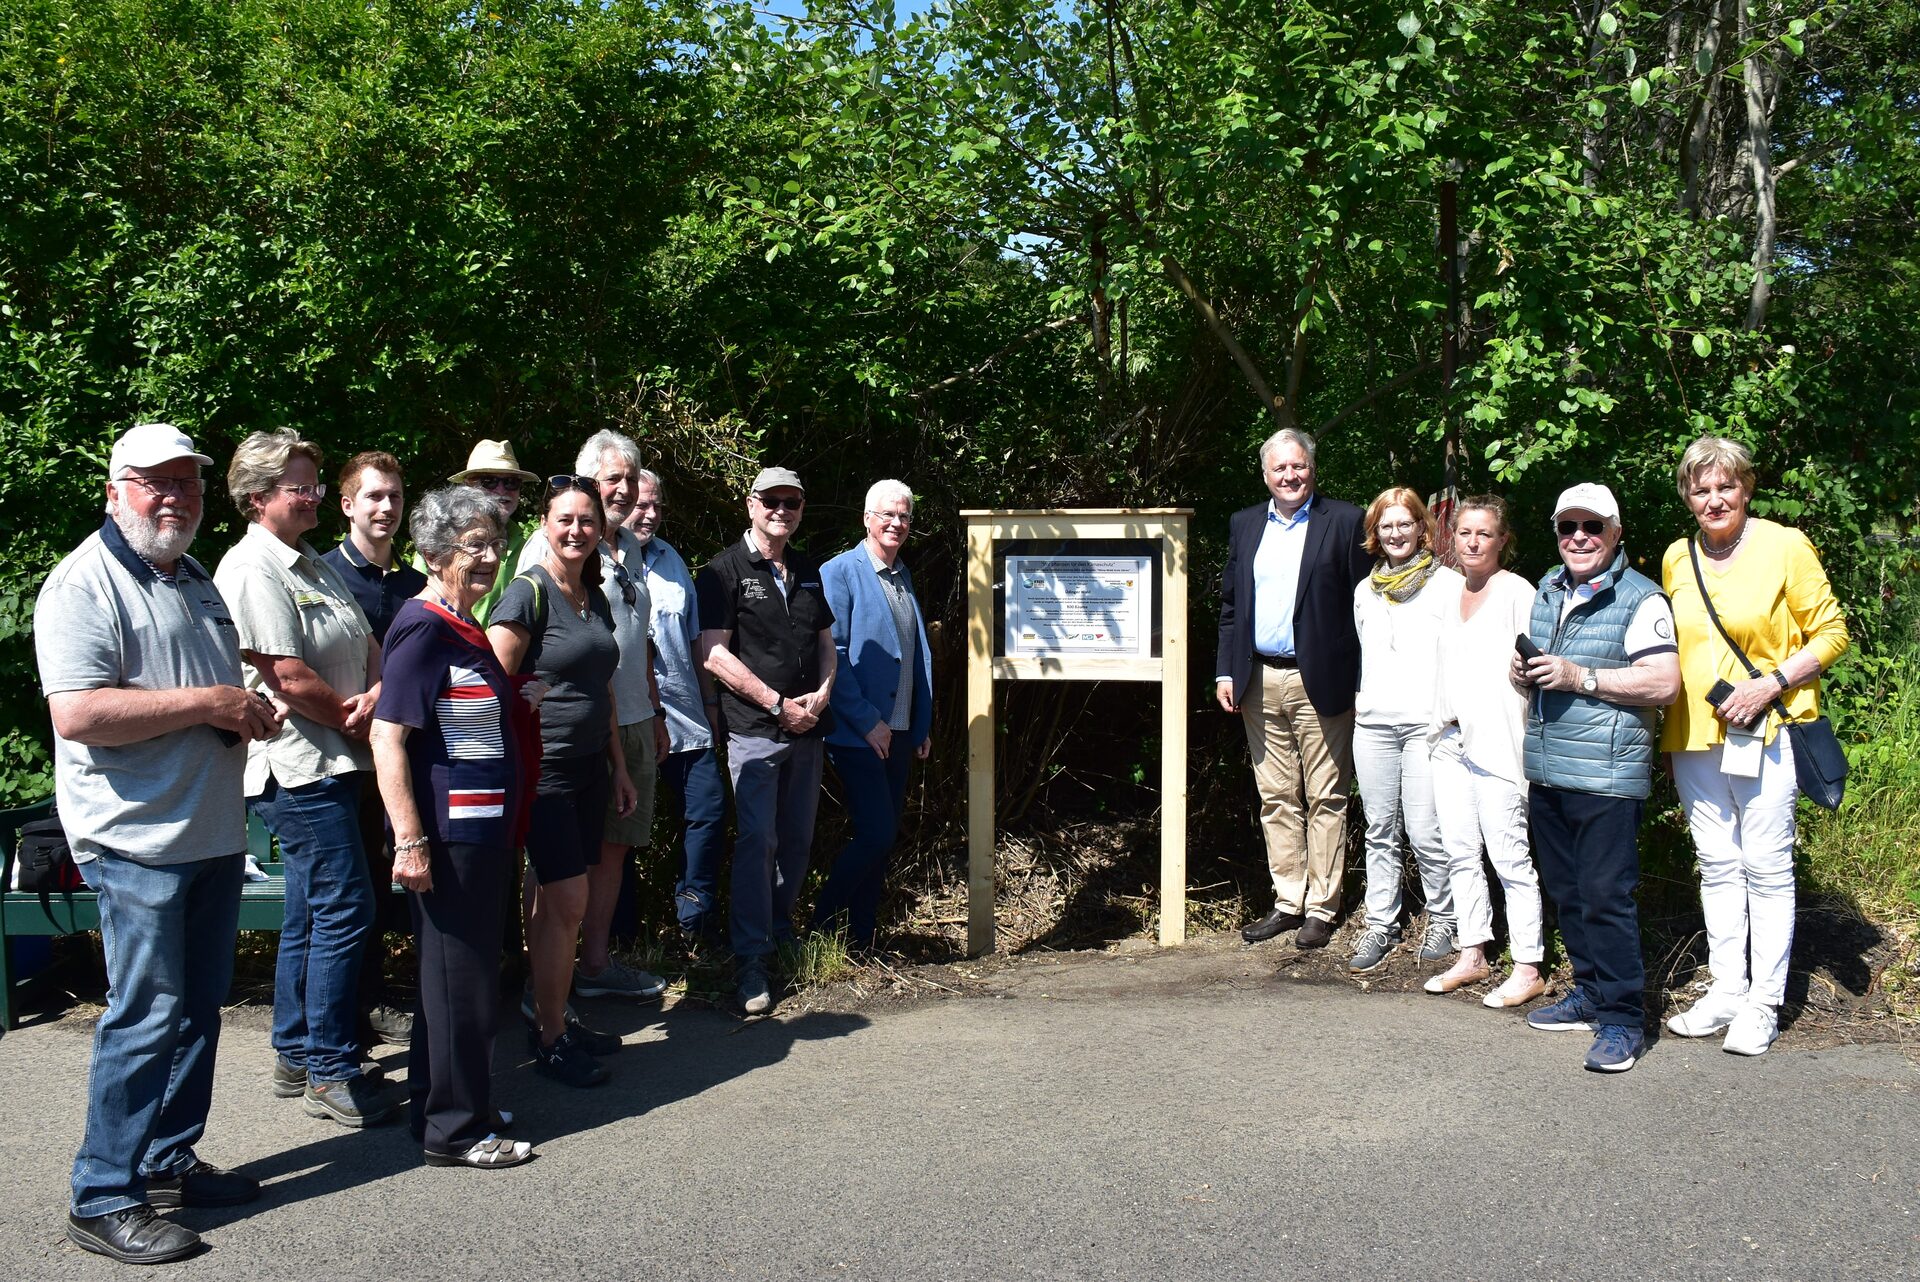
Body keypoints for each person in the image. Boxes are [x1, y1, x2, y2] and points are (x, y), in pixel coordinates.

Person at [38, 423, 283, 1264]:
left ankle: (167, 1162)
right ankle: (103, 1195)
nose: (175, 497)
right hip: (134, 840)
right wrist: (212, 703)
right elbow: (79, 713)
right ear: (115, 492)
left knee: (196, 1010)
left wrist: (244, 708)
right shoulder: (83, 583)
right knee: (146, 1016)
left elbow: (198, 688)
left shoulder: (191, 575)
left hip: (207, 832)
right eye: (156, 482)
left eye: (188, 482)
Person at [215, 429, 401, 1125]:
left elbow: (369, 642)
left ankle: (297, 1050)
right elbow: (286, 676)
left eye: (316, 484)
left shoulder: (309, 560)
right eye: (301, 487)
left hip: (335, 760)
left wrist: (377, 691)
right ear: (257, 497)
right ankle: (330, 1067)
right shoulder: (252, 568)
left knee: (312, 908)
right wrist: (360, 722)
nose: (315, 496)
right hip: (296, 767)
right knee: (346, 906)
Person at [1660, 436, 1849, 1056]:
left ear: (1746, 488)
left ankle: (1764, 1003)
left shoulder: (1784, 545)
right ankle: (1726, 991)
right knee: (1716, 862)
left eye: (1726, 486)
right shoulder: (1677, 557)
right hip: (1694, 734)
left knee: (1766, 866)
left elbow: (1832, 634)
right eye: (1701, 489)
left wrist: (1771, 683)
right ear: (1687, 496)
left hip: (1767, 729)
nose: (1714, 499)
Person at [371, 486, 534, 1168]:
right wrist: (410, 841)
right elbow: (388, 736)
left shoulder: (462, 623)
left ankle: (441, 1106)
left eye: (496, 544)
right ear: (436, 555)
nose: (490, 557)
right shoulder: (424, 626)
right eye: (474, 546)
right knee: (459, 984)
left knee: (457, 981)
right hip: (449, 834)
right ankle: (457, 1132)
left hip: (482, 830)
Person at [1513, 483, 1681, 1073]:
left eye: (1592, 526)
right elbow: (1546, 672)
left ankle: (1623, 1020)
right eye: (1568, 527)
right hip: (1548, 768)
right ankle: (1589, 994)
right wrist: (1524, 672)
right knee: (1568, 892)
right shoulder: (1547, 588)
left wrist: (1577, 676)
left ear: (1616, 533)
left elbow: (1663, 683)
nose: (1579, 538)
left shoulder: (1641, 598)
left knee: (1606, 898)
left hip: (1607, 775)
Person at [488, 477, 637, 1087]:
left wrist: (619, 766)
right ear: (544, 525)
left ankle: (553, 1014)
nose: (577, 530)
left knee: (554, 905)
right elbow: (490, 685)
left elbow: (602, 686)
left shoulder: (592, 594)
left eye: (587, 520)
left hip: (590, 768)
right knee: (568, 903)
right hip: (544, 772)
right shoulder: (528, 593)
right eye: (565, 519)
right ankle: (550, 1036)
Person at [519, 432, 669, 1000]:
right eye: (613, 479)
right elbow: (529, 646)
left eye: (631, 478)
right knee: (555, 860)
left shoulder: (630, 544)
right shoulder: (553, 545)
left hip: (631, 716)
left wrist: (653, 708)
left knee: (613, 847)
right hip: (571, 728)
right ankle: (541, 982)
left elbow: (639, 638)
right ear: (586, 483)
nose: (624, 490)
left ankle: (594, 968)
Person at [1215, 428, 1370, 949]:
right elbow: (1231, 606)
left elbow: (1366, 607)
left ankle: (1322, 908)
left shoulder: (1344, 521)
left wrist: (1363, 679)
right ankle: (1288, 901)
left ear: (1312, 468)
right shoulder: (1244, 524)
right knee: (1276, 796)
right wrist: (1225, 672)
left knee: (1327, 795)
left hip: (1321, 679)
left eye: (1298, 465)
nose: (1290, 476)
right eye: (1280, 468)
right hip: (1258, 679)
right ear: (1265, 475)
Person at [697, 466, 836, 1014]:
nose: (782, 510)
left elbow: (826, 642)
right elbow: (714, 654)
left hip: (809, 727)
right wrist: (778, 705)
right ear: (751, 504)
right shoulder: (722, 571)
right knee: (758, 841)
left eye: (792, 502)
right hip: (756, 731)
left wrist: (823, 693)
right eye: (772, 500)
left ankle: (780, 933)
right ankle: (750, 958)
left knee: (796, 838)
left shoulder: (808, 569)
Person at [322, 450, 426, 1053]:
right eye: (373, 496)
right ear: (347, 505)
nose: (386, 507)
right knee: (351, 893)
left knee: (392, 887)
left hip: (405, 757)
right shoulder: (323, 577)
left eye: (394, 496)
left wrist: (383, 693)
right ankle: (347, 1019)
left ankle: (381, 998)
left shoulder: (415, 584)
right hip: (341, 756)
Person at [1425, 497, 1546, 1006]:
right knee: (1459, 851)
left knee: (1509, 856)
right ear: (1452, 538)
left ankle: (1528, 965)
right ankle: (1472, 953)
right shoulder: (1447, 592)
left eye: (1484, 534)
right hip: (1449, 740)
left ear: (1502, 541)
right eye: (1464, 533)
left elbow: (1539, 662)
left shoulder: (1517, 591)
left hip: (1499, 741)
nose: (1473, 542)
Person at [815, 480, 934, 951]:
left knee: (881, 841)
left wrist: (919, 724)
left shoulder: (902, 574)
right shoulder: (839, 572)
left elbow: (913, 655)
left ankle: (861, 942)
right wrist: (867, 721)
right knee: (876, 834)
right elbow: (834, 654)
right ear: (867, 519)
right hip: (858, 731)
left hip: (900, 731)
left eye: (904, 516)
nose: (896, 523)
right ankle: (821, 928)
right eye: (887, 514)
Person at [1347, 487, 1460, 973]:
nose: (1395, 533)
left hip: (1425, 727)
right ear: (1375, 533)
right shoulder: (1365, 590)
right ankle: (1380, 924)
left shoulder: (1449, 586)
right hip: (1373, 724)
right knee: (1379, 829)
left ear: (1421, 528)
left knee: (1425, 830)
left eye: (1404, 524)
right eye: (1386, 525)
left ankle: (1445, 917)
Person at [625, 469, 727, 950]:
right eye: (641, 505)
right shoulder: (597, 559)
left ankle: (695, 924)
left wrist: (710, 704)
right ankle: (624, 938)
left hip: (685, 716)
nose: (650, 514)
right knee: (623, 828)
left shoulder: (672, 559)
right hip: (629, 717)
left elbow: (693, 640)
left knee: (707, 811)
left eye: (657, 506)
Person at [445, 439, 540, 626]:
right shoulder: (442, 541)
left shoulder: (529, 545)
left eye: (511, 482)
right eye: (489, 482)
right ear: (468, 486)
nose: (501, 490)